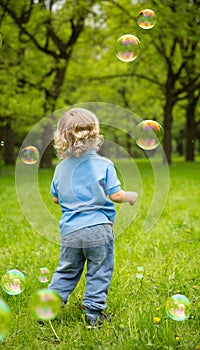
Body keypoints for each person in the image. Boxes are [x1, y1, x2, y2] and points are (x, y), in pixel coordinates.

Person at [48, 108, 138, 328]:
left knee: (67, 270)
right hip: (99, 229)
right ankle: (94, 315)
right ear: (95, 136)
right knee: (99, 271)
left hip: (70, 232)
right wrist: (130, 196)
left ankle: (48, 309)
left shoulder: (60, 169)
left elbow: (55, 199)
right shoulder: (104, 165)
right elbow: (115, 195)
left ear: (62, 139)